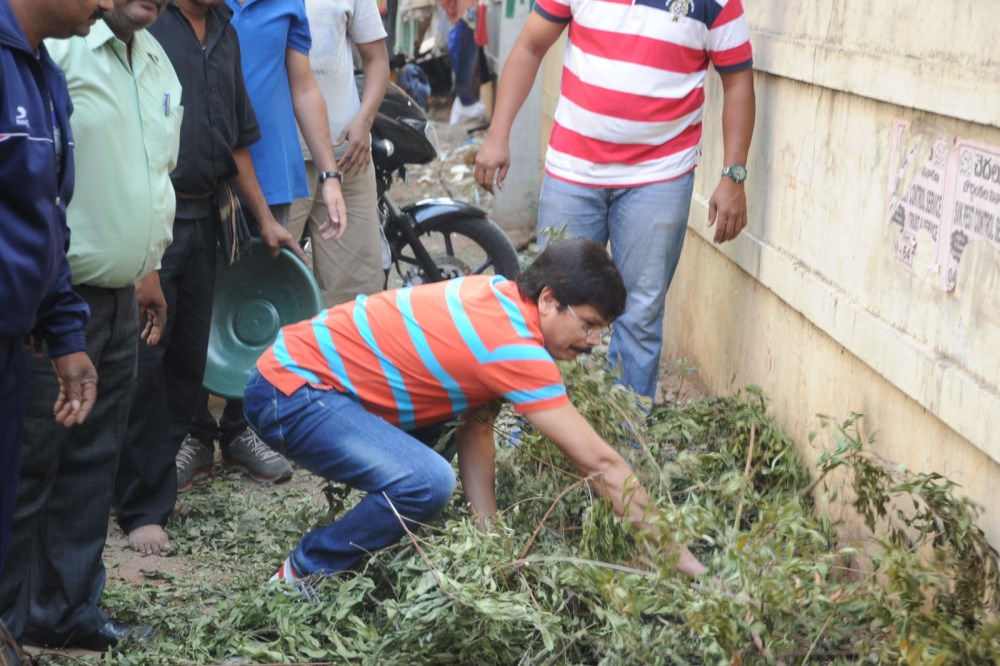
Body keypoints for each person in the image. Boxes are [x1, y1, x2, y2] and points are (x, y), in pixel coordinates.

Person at [244, 239, 707, 582]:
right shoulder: (514, 349)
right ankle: (305, 571)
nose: (591, 343)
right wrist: (677, 556)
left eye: (599, 332)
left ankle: (380, 528)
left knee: (439, 446)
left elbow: (476, 430)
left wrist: (492, 548)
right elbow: (601, 463)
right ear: (548, 300)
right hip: (291, 392)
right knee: (428, 483)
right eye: (587, 326)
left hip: (302, 379)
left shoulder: (501, 297)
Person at [0, 0, 181, 652]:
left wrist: (149, 264)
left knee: (91, 461)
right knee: (27, 471)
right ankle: (11, 625)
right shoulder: (53, 53)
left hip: (102, 301)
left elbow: (149, 178)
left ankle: (68, 609)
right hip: (44, 302)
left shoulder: (149, 62)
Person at [474, 0, 756, 404]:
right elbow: (530, 47)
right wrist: (498, 134)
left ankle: (623, 449)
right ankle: (542, 440)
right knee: (550, 303)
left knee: (639, 315)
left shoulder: (718, 4)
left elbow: (739, 82)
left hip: (659, 177)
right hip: (573, 171)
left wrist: (735, 174)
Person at [114, 0, 311, 557]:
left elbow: (237, 141)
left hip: (207, 218)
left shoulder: (225, 31)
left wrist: (266, 221)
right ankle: (141, 507)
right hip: (149, 218)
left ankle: (142, 486)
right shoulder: (145, 24)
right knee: (144, 362)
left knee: (187, 365)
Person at [182, 0, 350, 494]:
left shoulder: (285, 4)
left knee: (258, 304)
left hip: (267, 171)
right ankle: (193, 433)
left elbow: (302, 85)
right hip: (195, 164)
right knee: (192, 302)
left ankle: (242, 430)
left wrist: (330, 173)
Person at [288, 0, 390, 308]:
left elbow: (377, 60)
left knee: (355, 295)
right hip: (280, 161)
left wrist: (364, 120)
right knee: (266, 285)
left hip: (347, 159)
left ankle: (340, 358)